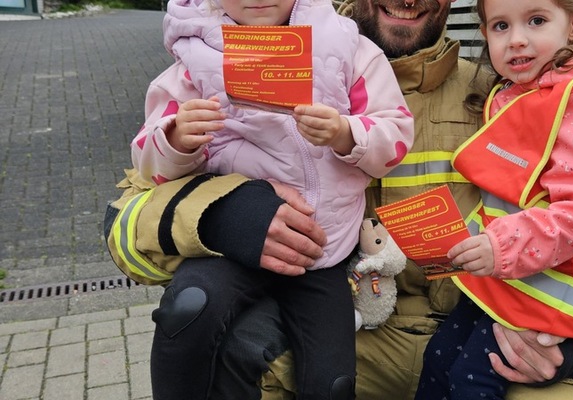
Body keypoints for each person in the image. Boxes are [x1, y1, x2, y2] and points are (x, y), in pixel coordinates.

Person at [104, 0, 573, 398]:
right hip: (354, 333)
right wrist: (223, 210)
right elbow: (124, 223)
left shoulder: (513, 94)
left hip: (478, 337)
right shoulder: (234, 62)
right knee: (233, 356)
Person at [124, 0, 413, 398]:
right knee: (187, 310)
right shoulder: (192, 59)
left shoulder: (349, 47)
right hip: (233, 249)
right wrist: (174, 138)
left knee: (334, 383)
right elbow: (146, 164)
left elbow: (395, 136)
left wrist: (346, 133)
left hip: (322, 251)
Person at [413, 0, 573, 398]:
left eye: (536, 21)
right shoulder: (522, 93)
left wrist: (500, 245)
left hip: (546, 291)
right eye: (500, 26)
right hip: (510, 281)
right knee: (440, 360)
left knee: (471, 377)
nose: (516, 40)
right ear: (484, 34)